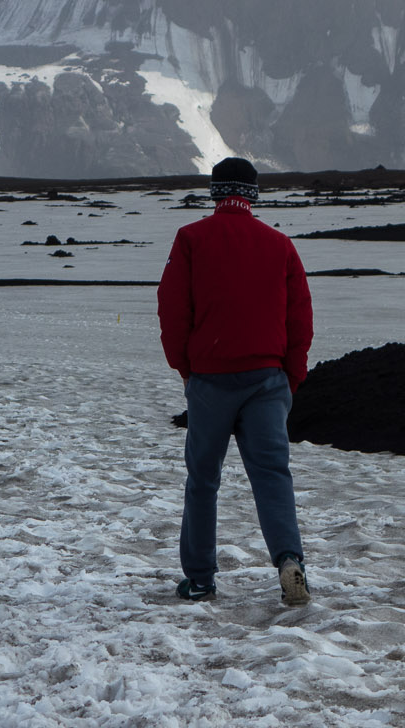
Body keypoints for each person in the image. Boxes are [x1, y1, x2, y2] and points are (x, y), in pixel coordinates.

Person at [157, 156, 314, 608]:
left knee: (203, 479)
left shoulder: (191, 239)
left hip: (210, 380)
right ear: (253, 194)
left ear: (214, 192)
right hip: (267, 379)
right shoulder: (279, 245)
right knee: (272, 477)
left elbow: (172, 309)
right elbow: (299, 316)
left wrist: (185, 368)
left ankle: (201, 578)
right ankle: (289, 559)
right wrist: (291, 376)